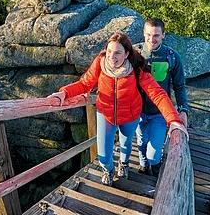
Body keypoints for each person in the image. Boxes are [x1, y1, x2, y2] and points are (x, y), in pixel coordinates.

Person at [47, 32, 187, 186]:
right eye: (109, 52)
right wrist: (64, 93)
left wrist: (174, 120)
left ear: (126, 54)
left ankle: (124, 164)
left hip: (130, 115)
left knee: (126, 145)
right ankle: (108, 169)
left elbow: (157, 93)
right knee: (103, 156)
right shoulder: (100, 63)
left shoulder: (136, 68)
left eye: (118, 53)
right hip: (105, 113)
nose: (112, 57)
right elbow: (85, 83)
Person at [135, 18, 189, 176]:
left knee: (154, 151)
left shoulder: (172, 57)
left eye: (156, 35)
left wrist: (183, 109)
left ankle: (154, 164)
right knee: (141, 141)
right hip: (137, 111)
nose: (152, 39)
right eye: (148, 35)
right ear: (143, 34)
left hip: (159, 113)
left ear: (163, 35)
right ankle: (144, 166)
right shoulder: (134, 54)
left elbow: (179, 86)